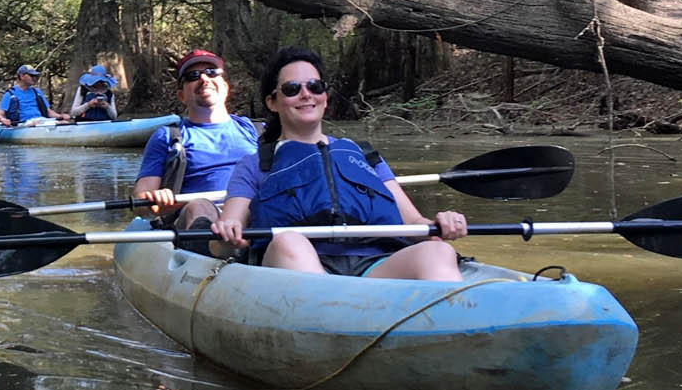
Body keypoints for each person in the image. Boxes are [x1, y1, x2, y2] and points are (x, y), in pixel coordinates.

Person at [211, 46, 468, 279]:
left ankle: (454, 325)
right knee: (288, 242)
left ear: (325, 96)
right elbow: (225, 235)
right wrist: (228, 234)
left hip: (376, 263)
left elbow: (413, 223)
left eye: (314, 86)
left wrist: (441, 224)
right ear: (272, 102)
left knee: (438, 252)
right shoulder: (257, 163)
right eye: (292, 89)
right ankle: (331, 319)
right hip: (298, 263)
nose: (305, 94)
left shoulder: (362, 154)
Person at [131, 49, 258, 247]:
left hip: (250, 210)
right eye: (193, 76)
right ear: (181, 95)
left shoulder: (252, 130)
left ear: (225, 87)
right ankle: (218, 249)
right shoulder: (168, 136)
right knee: (199, 206)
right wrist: (155, 200)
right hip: (201, 215)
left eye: (212, 72)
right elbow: (141, 199)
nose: (204, 79)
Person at [0, 64, 70, 126]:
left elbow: (48, 112)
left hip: (40, 120)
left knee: (65, 123)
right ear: (22, 76)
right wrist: (3, 119)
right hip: (23, 123)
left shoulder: (37, 92)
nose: (34, 78)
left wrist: (60, 116)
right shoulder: (10, 94)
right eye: (31, 76)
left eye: (35, 76)